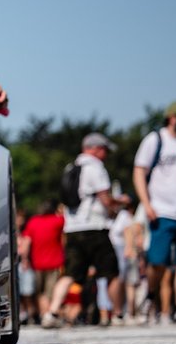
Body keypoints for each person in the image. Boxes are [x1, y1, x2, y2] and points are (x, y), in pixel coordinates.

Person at [42, 133, 126, 328]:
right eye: (104, 150)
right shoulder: (95, 167)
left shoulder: (71, 168)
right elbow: (105, 198)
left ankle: (52, 312)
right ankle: (119, 315)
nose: (105, 154)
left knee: (70, 273)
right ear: (95, 148)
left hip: (73, 227)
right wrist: (118, 204)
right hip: (95, 226)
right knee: (110, 272)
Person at [133, 102, 176, 324]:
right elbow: (139, 172)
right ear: (172, 117)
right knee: (157, 262)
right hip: (162, 210)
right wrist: (146, 203)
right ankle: (150, 296)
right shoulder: (155, 139)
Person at [21, 200, 65, 323]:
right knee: (50, 292)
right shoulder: (59, 220)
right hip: (55, 263)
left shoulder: (33, 222)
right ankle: (49, 316)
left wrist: (25, 260)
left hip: (37, 264)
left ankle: (44, 315)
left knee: (41, 292)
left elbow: (26, 243)